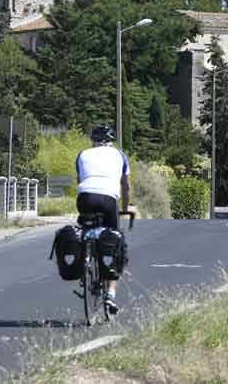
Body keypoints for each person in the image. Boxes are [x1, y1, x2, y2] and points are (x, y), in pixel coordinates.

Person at [75, 125, 132, 314]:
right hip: (108, 199)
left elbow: (80, 181)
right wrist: (124, 208)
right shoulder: (119, 155)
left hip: (85, 197)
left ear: (93, 141)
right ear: (111, 141)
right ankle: (110, 294)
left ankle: (85, 256)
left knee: (86, 229)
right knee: (114, 241)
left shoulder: (82, 154)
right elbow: (126, 186)